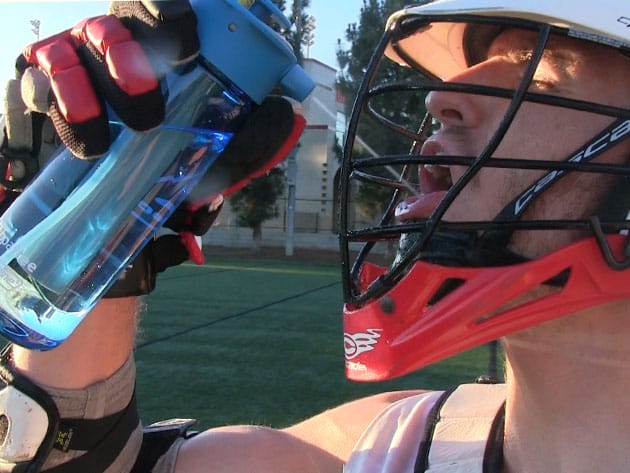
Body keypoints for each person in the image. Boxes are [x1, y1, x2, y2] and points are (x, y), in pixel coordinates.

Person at [1, 0, 629, 472]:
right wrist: (106, 208)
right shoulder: (400, 444)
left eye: (540, 75)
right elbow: (74, 456)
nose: (439, 98)